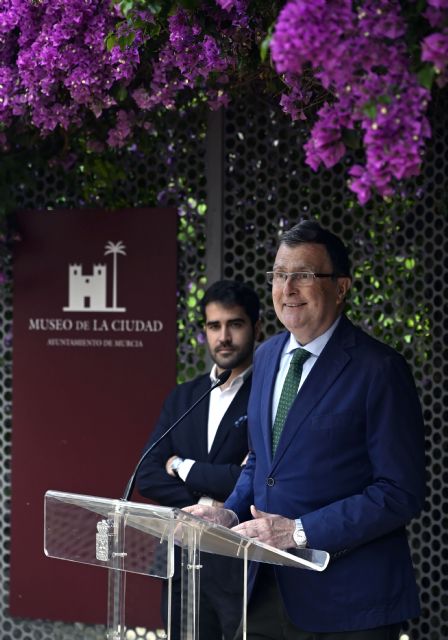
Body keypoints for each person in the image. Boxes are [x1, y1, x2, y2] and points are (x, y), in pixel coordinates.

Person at [186, 220, 426, 640]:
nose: (288, 288)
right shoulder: (266, 355)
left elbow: (399, 492)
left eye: (304, 275)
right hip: (266, 590)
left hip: (350, 602)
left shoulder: (380, 369)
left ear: (341, 287)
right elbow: (262, 461)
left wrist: (299, 531)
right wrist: (230, 512)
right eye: (280, 275)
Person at [136, 279, 261, 640]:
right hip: (180, 560)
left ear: (257, 328)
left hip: (240, 564)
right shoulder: (183, 397)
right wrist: (206, 504)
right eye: (214, 326)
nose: (224, 337)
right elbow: (147, 474)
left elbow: (250, 479)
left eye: (235, 324)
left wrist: (181, 466)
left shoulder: (264, 396)